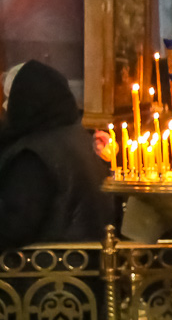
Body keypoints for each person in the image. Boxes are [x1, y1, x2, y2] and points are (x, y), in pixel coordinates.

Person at [0, 62, 113, 248]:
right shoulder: (79, 138)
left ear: (26, 100)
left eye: (10, 98)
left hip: (52, 270)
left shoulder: (35, 155)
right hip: (86, 264)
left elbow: (12, 227)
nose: (6, 107)